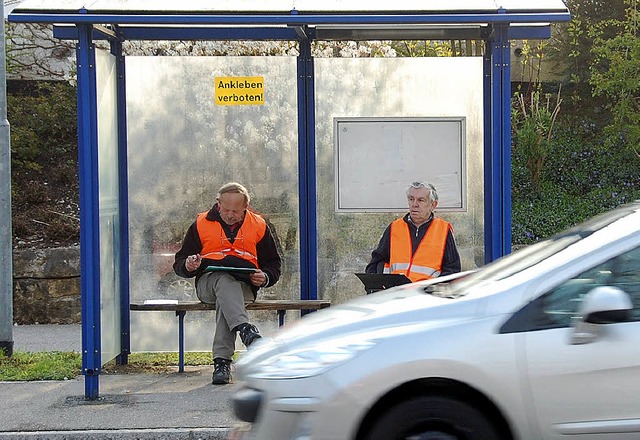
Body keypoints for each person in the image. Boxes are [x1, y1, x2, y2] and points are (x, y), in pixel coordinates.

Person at [174, 182, 281, 385]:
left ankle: (222, 363)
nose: (230, 215)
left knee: (228, 299)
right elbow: (179, 262)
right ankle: (245, 330)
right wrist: (189, 265)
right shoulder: (201, 223)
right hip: (208, 284)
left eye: (236, 211)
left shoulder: (259, 225)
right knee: (223, 281)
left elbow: (274, 263)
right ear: (218, 204)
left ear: (246, 208)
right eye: (226, 209)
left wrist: (265, 276)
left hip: (244, 286)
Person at [366, 181, 461, 285]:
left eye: (421, 200)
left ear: (433, 205)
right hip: (396, 295)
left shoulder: (443, 230)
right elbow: (376, 263)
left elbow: (452, 270)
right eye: (411, 199)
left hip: (426, 297)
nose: (414, 204)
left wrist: (434, 290)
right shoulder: (394, 228)